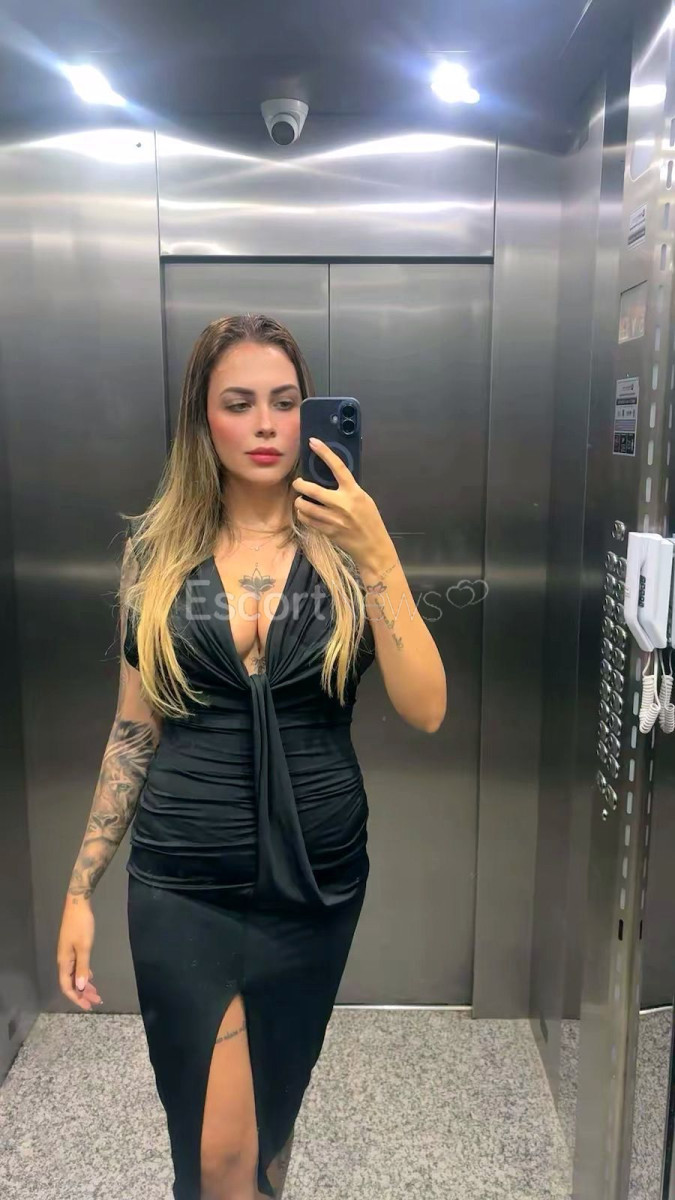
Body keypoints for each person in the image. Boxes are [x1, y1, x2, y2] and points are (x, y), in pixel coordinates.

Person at [56, 313, 446, 1200]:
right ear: (203, 420)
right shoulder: (156, 554)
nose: (266, 425)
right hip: (183, 882)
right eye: (238, 403)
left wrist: (377, 553)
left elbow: (426, 708)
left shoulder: (348, 552)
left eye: (284, 401)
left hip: (316, 883)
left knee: (271, 1116)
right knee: (214, 1151)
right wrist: (80, 888)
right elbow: (133, 729)